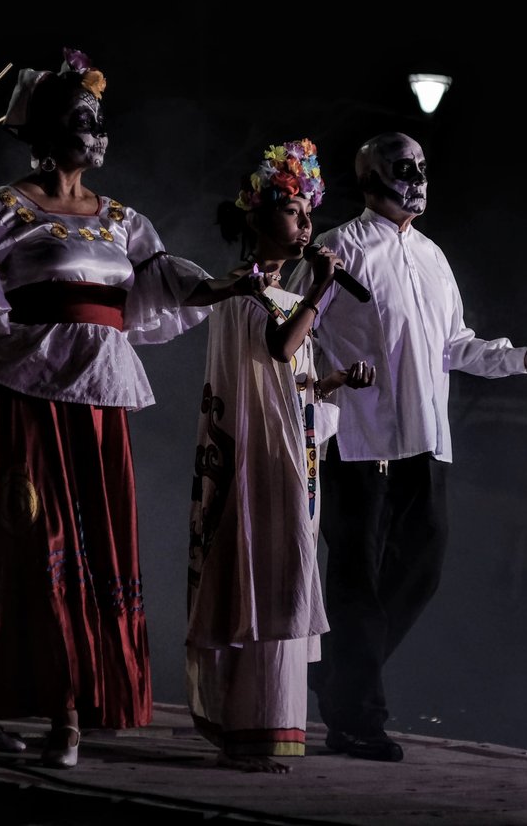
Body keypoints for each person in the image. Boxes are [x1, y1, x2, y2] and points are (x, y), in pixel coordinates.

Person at [0, 48, 252, 767]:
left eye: (102, 124)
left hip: (95, 409)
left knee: (90, 551)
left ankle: (68, 704)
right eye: (83, 121)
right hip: (24, 399)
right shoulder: (4, 210)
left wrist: (229, 285)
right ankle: (12, 701)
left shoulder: (124, 222)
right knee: (24, 549)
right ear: (47, 133)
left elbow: (164, 287)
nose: (98, 136)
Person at [292, 132, 527, 761]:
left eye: (422, 165)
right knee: (357, 583)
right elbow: (292, 332)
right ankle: (356, 717)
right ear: (368, 181)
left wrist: (523, 358)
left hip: (423, 441)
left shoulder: (432, 257)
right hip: (357, 442)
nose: (417, 176)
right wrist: (316, 401)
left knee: (423, 569)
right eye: (402, 167)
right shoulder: (338, 248)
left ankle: (338, 669)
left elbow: (456, 346)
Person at [186, 138, 375, 773]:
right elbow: (274, 349)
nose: (305, 224)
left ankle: (268, 728)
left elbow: (289, 378)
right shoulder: (248, 287)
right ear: (259, 216)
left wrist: (334, 383)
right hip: (259, 463)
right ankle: (249, 728)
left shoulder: (283, 292)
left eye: (307, 212)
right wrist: (322, 288)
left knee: (286, 576)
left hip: (291, 453)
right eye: (293, 211)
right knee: (266, 578)